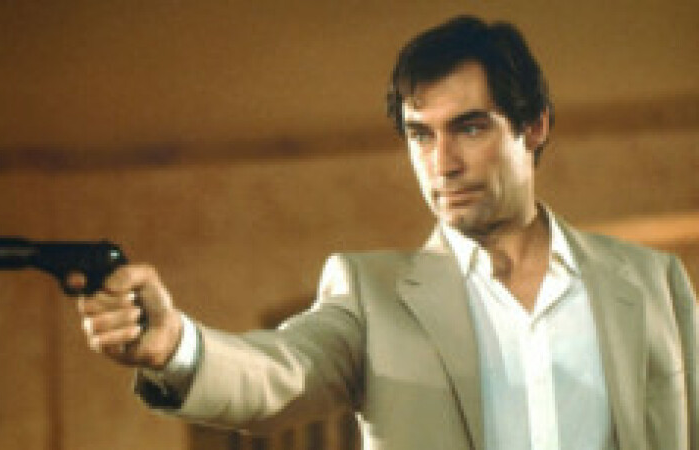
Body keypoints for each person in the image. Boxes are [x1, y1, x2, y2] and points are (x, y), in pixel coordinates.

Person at [75, 16, 697, 450]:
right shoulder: (372, 296)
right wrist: (176, 346)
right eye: (421, 135)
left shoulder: (654, 283)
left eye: (470, 128)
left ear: (533, 127)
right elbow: (278, 373)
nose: (442, 164)